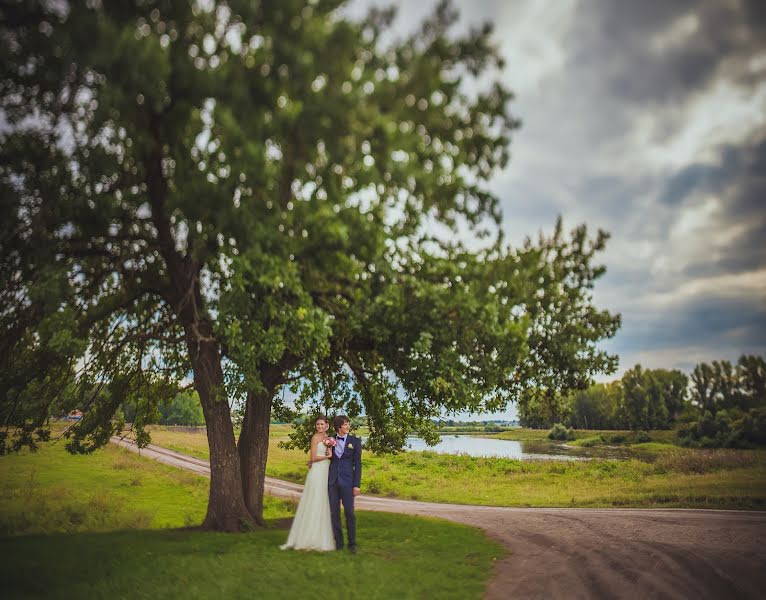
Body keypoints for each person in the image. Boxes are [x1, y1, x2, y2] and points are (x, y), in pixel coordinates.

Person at [280, 415, 336, 551]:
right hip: (317, 471)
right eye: (318, 425)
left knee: (323, 500)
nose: (320, 427)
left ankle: (321, 535)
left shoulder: (328, 438)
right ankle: (308, 536)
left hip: (325, 471)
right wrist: (327, 456)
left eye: (322, 424)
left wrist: (329, 450)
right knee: (314, 499)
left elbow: (329, 453)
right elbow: (313, 457)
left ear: (327, 425)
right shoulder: (315, 438)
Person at [328, 414, 362, 553]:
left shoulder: (355, 441)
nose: (348, 426)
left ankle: (352, 544)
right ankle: (339, 542)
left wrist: (356, 484)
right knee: (334, 513)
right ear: (338, 427)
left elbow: (358, 464)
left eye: (348, 423)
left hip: (348, 482)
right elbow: (326, 457)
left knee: (349, 513)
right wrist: (313, 461)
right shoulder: (329, 440)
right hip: (332, 481)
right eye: (345, 424)